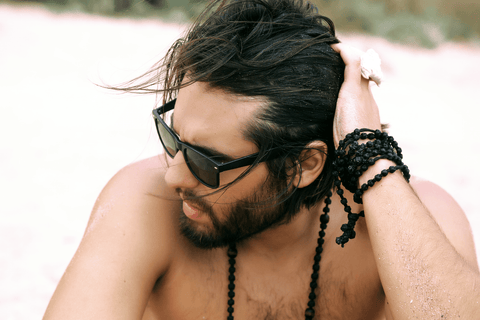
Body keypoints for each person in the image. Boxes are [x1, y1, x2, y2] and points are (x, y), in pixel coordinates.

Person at [43, 0, 480, 319]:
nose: (173, 174)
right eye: (173, 137)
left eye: (206, 160)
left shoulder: (414, 218)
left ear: (302, 166)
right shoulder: (144, 201)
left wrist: (368, 155)